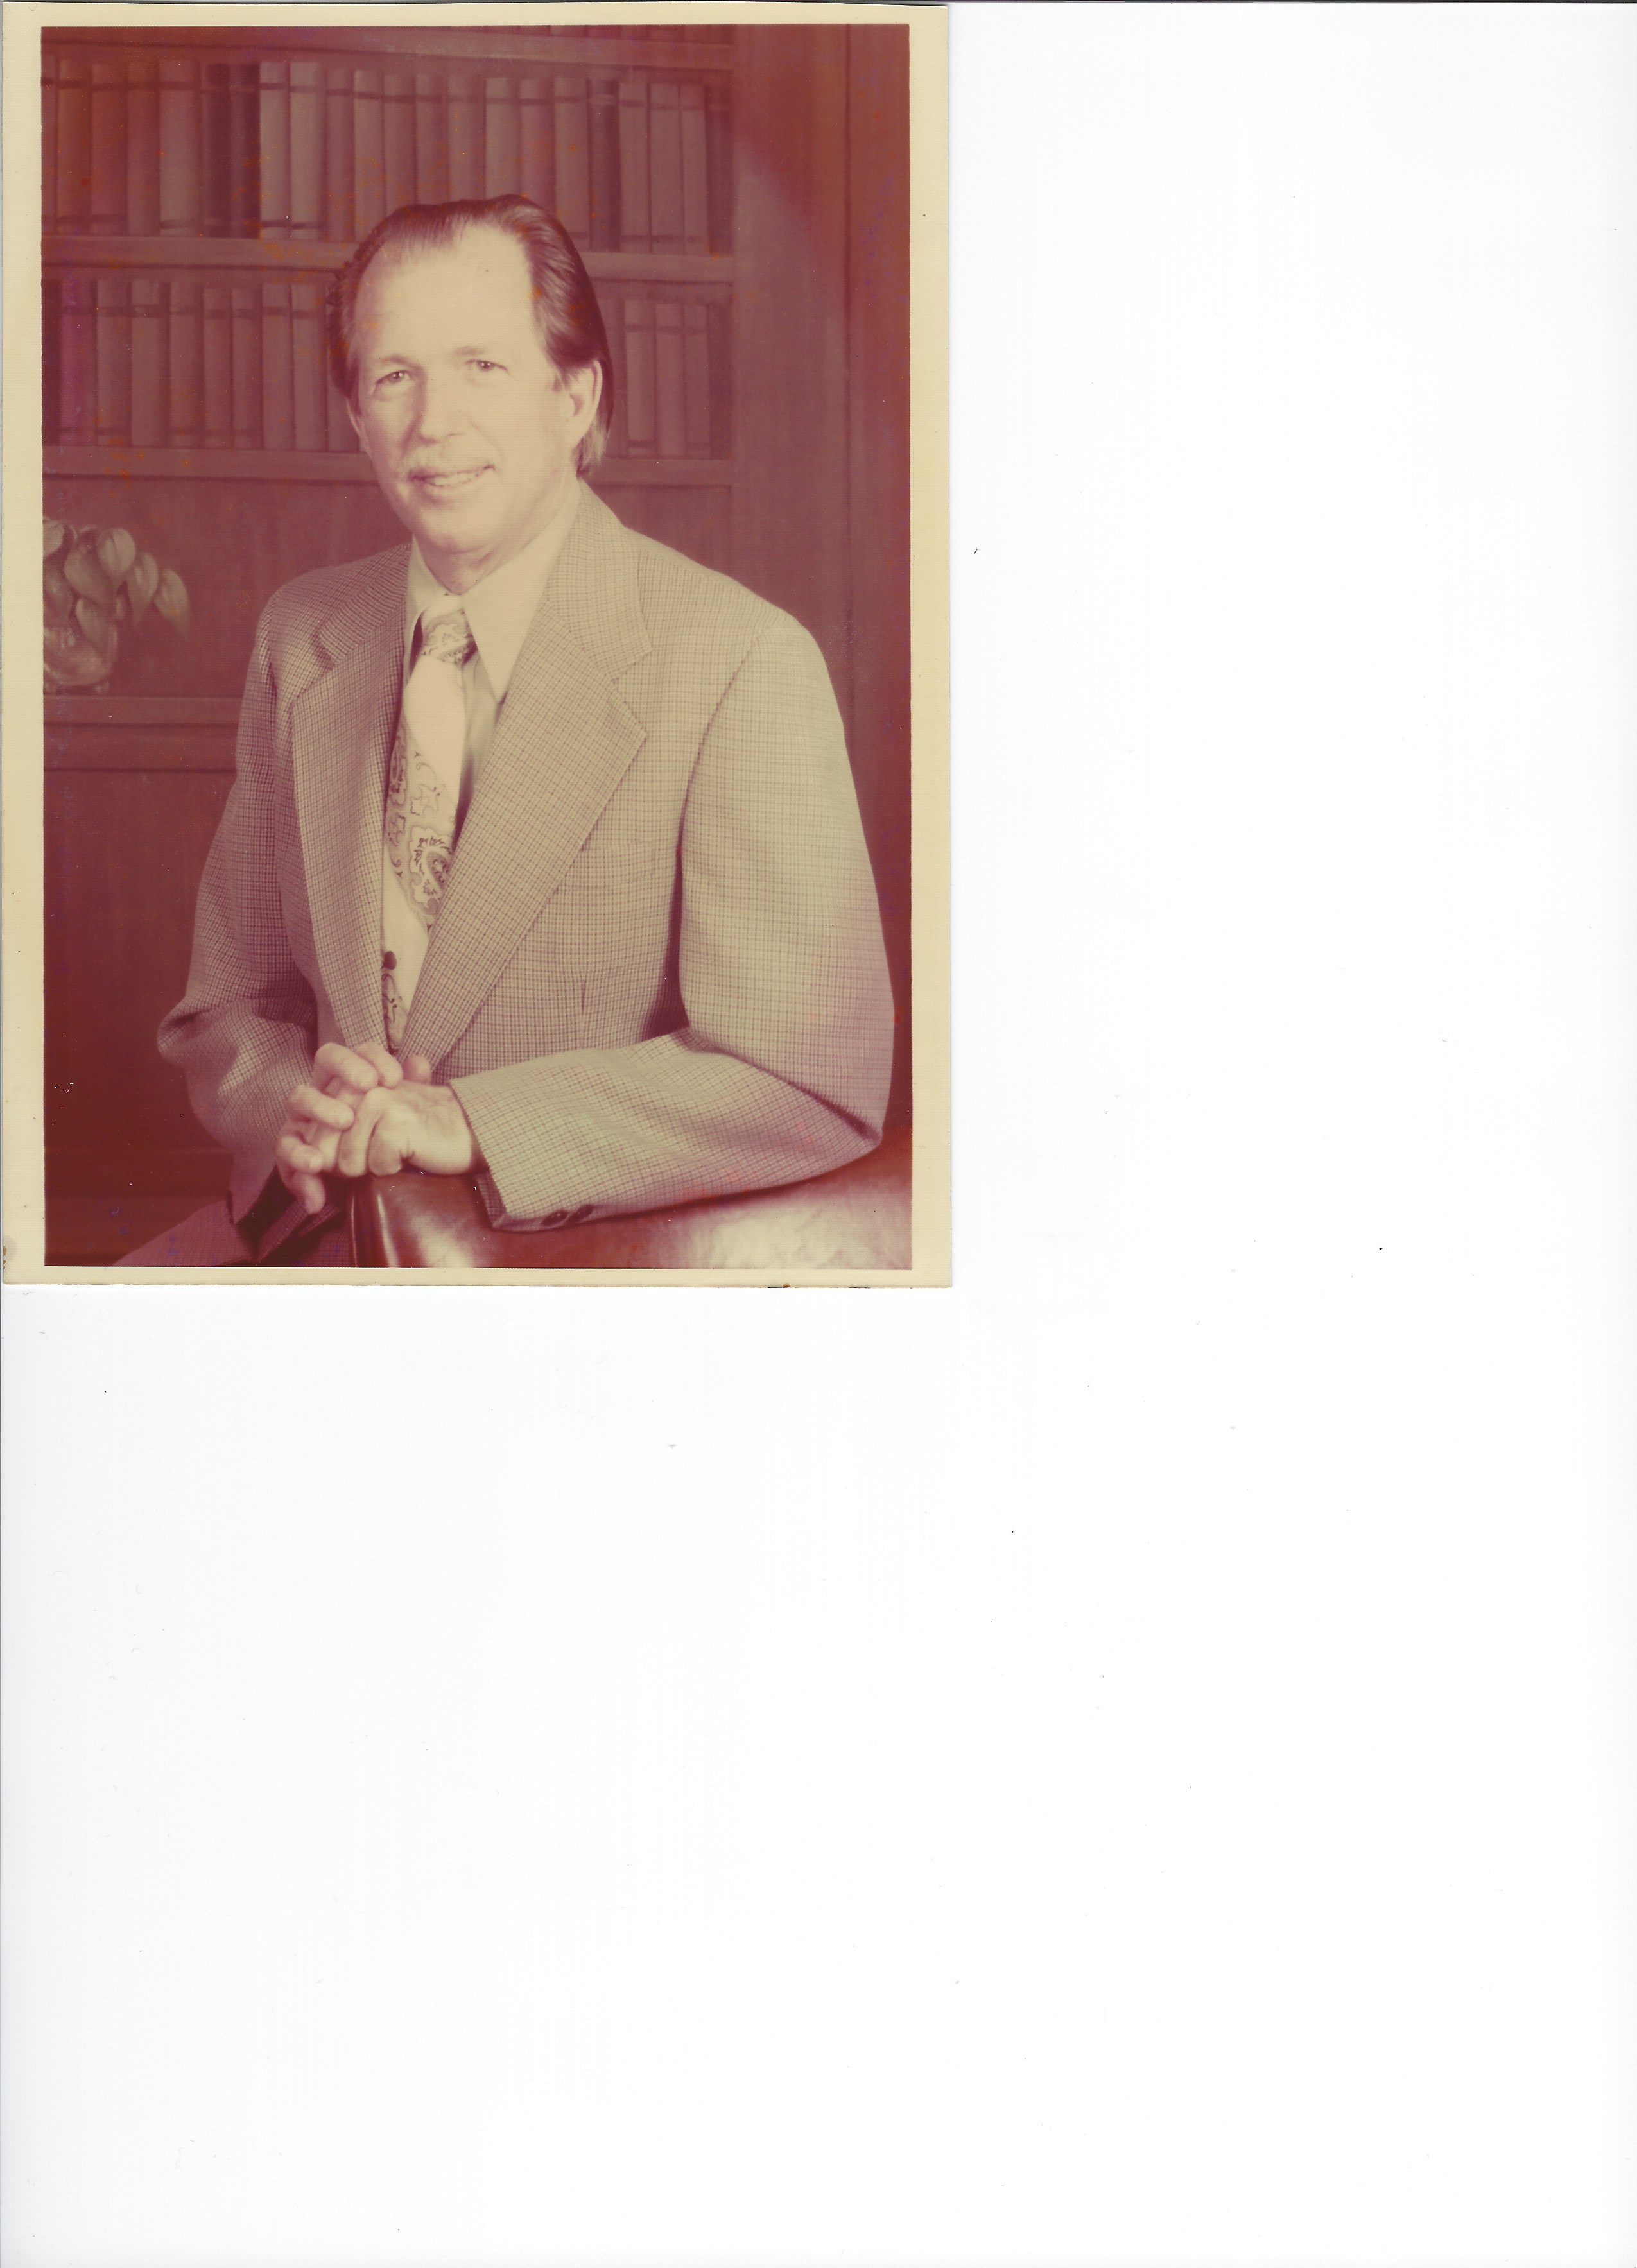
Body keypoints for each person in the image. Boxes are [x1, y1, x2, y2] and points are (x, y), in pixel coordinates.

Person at [127, 196, 892, 1266]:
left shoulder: (739, 661)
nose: (431, 423)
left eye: (481, 366)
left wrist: (476, 1123)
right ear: (355, 416)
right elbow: (227, 1008)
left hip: (575, 1267)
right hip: (316, 1234)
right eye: (394, 377)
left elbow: (804, 1075)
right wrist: (303, 1106)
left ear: (576, 395)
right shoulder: (302, 636)